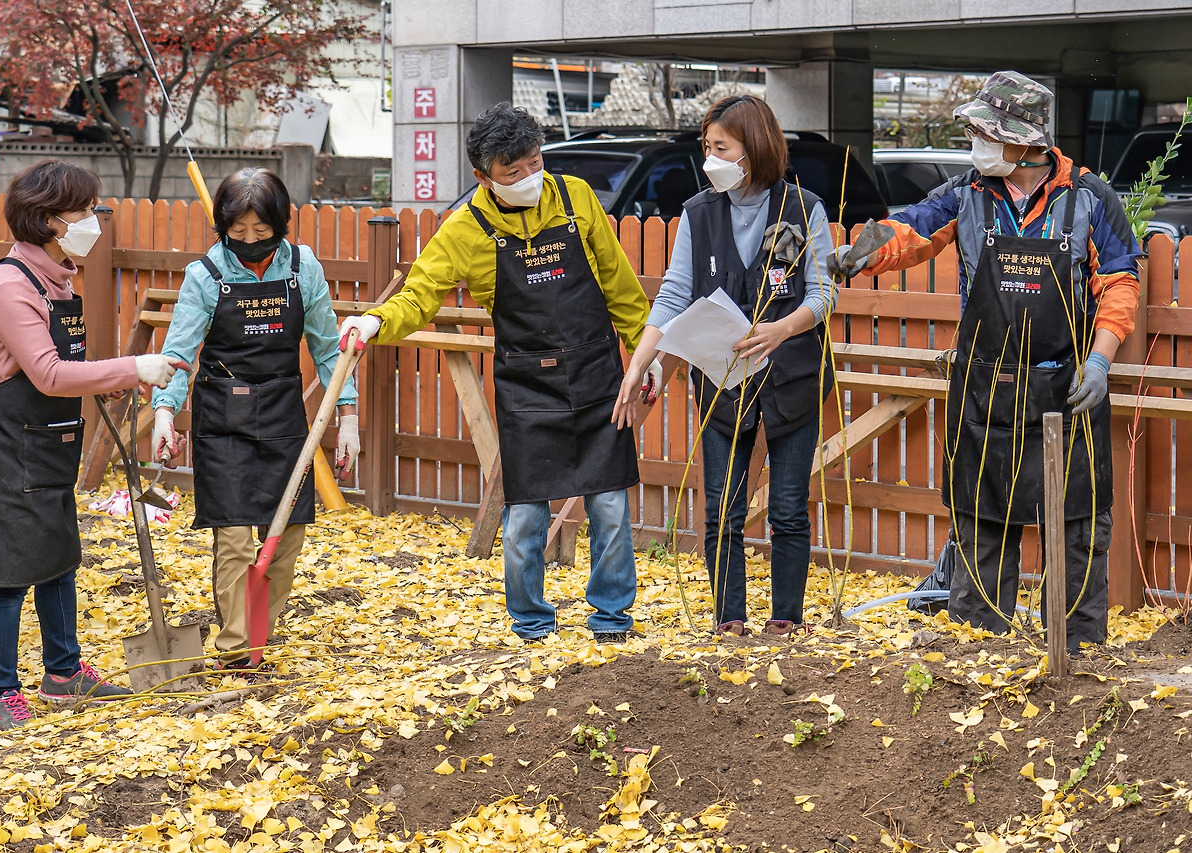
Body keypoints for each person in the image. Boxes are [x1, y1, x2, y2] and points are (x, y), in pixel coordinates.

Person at [828, 71, 1140, 650]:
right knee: (980, 515)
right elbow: (908, 231)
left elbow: (1119, 282)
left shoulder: (1090, 199)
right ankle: (980, 645)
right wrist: (858, 253)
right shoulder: (966, 194)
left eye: (984, 133)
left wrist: (1100, 361)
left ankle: (1076, 649)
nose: (975, 143)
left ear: (1022, 140)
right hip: (984, 390)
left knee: (1076, 521)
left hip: (1066, 389)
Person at [340, 103, 658, 644]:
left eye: (535, 162)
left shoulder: (576, 198)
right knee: (526, 514)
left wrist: (644, 354)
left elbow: (619, 286)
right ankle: (531, 622)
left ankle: (611, 619)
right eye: (513, 172)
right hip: (527, 386)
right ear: (483, 176)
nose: (529, 176)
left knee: (609, 504)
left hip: (596, 374)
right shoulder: (464, 229)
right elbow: (419, 296)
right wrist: (374, 322)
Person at [0, 160, 186, 730]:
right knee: (7, 574)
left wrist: (107, 385)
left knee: (57, 561)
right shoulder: (10, 288)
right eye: (82, 211)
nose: (91, 219)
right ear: (50, 220)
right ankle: (0, 692)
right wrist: (134, 366)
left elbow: (65, 366)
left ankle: (62, 674)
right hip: (5, 450)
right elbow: (49, 374)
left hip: (46, 444)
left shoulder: (56, 279)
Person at [613, 95, 838, 637]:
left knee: (788, 508)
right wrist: (639, 362)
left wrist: (782, 329)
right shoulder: (698, 212)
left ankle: (786, 619)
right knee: (722, 509)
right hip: (723, 378)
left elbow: (824, 292)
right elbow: (674, 294)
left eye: (721, 148)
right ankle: (728, 620)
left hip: (792, 377)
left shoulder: (804, 208)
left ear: (754, 149)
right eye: (707, 147)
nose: (710, 158)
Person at [151, 168, 359, 671]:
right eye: (237, 231)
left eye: (260, 231)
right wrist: (163, 413)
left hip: (283, 413)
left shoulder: (302, 268)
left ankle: (258, 634)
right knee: (234, 537)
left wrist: (348, 418)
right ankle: (236, 649)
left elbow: (329, 349)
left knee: (288, 533)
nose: (248, 242)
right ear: (223, 227)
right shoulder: (206, 274)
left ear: (280, 225)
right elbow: (179, 352)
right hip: (224, 416)